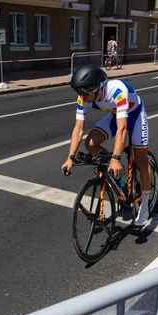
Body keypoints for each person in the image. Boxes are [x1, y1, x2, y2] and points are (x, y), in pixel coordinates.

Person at [61, 65, 152, 227]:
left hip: (135, 114)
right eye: (79, 92)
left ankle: (144, 206)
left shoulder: (117, 91)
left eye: (84, 92)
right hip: (116, 114)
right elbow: (78, 129)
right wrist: (70, 158)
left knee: (140, 159)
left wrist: (116, 158)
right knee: (90, 143)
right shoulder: (84, 97)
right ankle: (119, 179)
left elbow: (122, 128)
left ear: (97, 88)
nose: (81, 96)